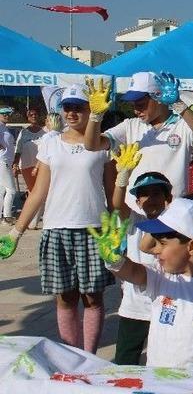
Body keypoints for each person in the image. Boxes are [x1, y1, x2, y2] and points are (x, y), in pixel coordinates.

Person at [4, 86, 116, 353]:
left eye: (79, 107)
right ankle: (71, 355)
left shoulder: (103, 144)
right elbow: (38, 192)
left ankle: (89, 358)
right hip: (57, 229)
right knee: (65, 298)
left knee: (93, 298)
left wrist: (118, 229)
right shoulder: (50, 143)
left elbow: (112, 192)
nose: (72, 113)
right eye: (68, 107)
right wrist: (16, 233)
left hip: (94, 229)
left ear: (92, 110)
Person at [99, 197, 193, 367]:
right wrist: (114, 260)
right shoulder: (160, 276)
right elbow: (132, 271)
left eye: (162, 244)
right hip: (161, 381)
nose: (156, 251)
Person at [83, 72, 193, 215]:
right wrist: (95, 116)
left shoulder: (182, 125)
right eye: (134, 105)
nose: (136, 110)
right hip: (136, 212)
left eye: (141, 104)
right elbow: (92, 145)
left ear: (158, 97)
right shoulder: (130, 126)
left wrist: (178, 104)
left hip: (173, 212)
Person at [112, 171, 171, 365]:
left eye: (156, 193)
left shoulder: (175, 225)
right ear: (137, 202)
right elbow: (117, 204)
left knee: (165, 357)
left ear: (167, 198)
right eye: (144, 195)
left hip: (166, 304)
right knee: (125, 359)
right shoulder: (135, 222)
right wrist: (122, 178)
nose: (151, 199)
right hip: (135, 306)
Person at [12, 107, 47, 228]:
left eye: (35, 114)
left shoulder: (44, 133)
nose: (33, 116)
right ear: (28, 117)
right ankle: (30, 219)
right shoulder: (23, 132)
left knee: (40, 192)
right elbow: (18, 150)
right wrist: (15, 164)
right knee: (32, 192)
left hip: (41, 166)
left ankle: (34, 221)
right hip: (26, 166)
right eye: (31, 115)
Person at [0, 106, 17, 225]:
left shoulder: (4, 126)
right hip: (3, 160)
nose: (6, 115)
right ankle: (7, 216)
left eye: (8, 114)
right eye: (3, 113)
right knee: (11, 190)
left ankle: (2, 216)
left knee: (1, 190)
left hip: (5, 161)